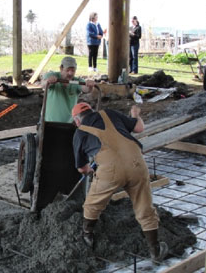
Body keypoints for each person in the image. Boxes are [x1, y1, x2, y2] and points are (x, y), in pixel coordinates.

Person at [71, 102, 169, 262]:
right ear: (92, 111)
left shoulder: (79, 133)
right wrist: (135, 115)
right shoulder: (109, 112)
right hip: (137, 163)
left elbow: (82, 168)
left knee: (92, 205)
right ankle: (155, 251)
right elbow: (139, 128)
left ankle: (87, 237)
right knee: (144, 207)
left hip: (110, 171)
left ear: (77, 120)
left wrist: (91, 170)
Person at [40, 56, 96, 123]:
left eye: (73, 70)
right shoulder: (52, 75)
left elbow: (86, 89)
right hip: (48, 121)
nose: (70, 73)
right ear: (61, 68)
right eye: (68, 70)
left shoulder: (77, 81)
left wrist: (89, 85)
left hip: (69, 123)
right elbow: (43, 84)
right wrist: (48, 81)